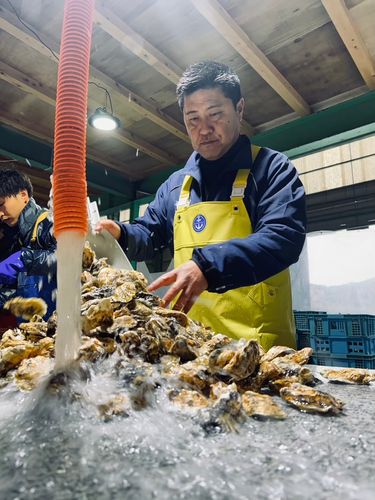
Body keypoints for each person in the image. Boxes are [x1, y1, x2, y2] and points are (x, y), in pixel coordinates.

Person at [96, 61, 306, 350]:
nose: (204, 129)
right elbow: (150, 235)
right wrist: (121, 233)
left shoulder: (271, 169)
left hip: (259, 350)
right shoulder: (175, 185)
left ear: (240, 109)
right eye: (192, 118)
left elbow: (283, 237)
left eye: (215, 114)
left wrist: (207, 267)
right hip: (193, 347)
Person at [0, 169, 57, 321]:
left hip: (57, 330)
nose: (0, 214)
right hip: (31, 335)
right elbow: (15, 292)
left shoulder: (48, 224)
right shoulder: (17, 238)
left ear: (23, 196)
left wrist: (25, 259)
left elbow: (69, 258)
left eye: (1, 204)